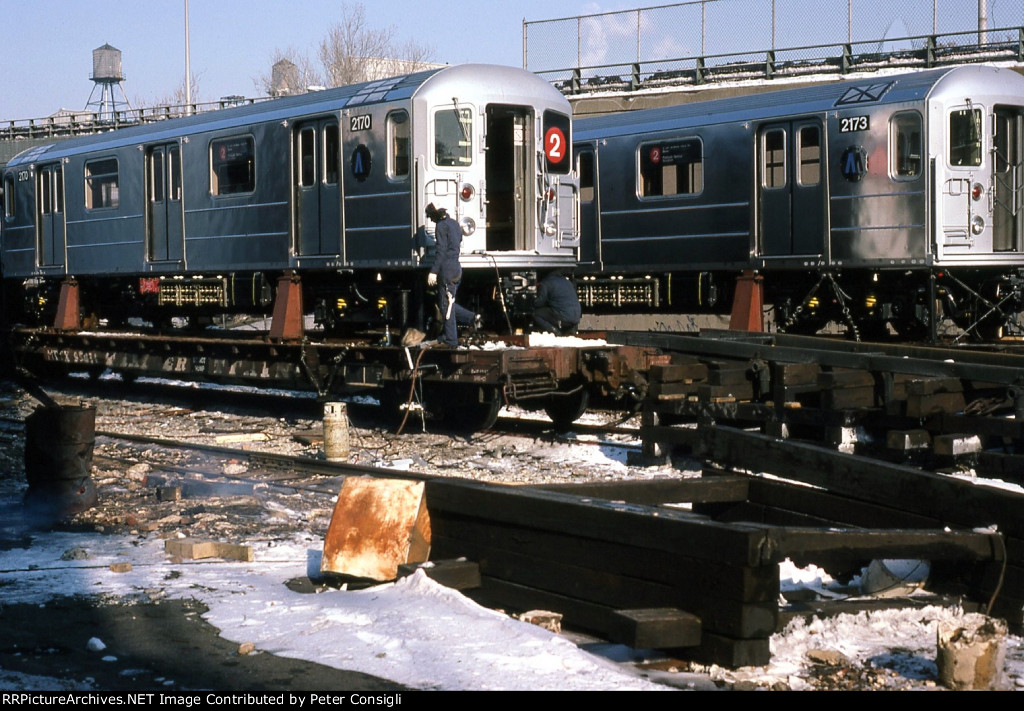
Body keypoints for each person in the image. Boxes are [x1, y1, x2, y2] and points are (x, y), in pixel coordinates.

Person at [425, 203, 476, 346]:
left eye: (430, 217)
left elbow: (441, 251)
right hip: (456, 268)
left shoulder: (441, 226)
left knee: (445, 305)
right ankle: (472, 318)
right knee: (448, 303)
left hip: (446, 269)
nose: (431, 220)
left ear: (434, 215)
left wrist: (433, 272)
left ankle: (451, 340)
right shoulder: (454, 224)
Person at [533, 269, 581, 335]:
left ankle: (554, 331)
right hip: (576, 317)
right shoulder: (567, 281)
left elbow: (539, 302)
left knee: (535, 313)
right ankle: (570, 330)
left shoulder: (546, 282)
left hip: (563, 316)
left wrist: (531, 301)